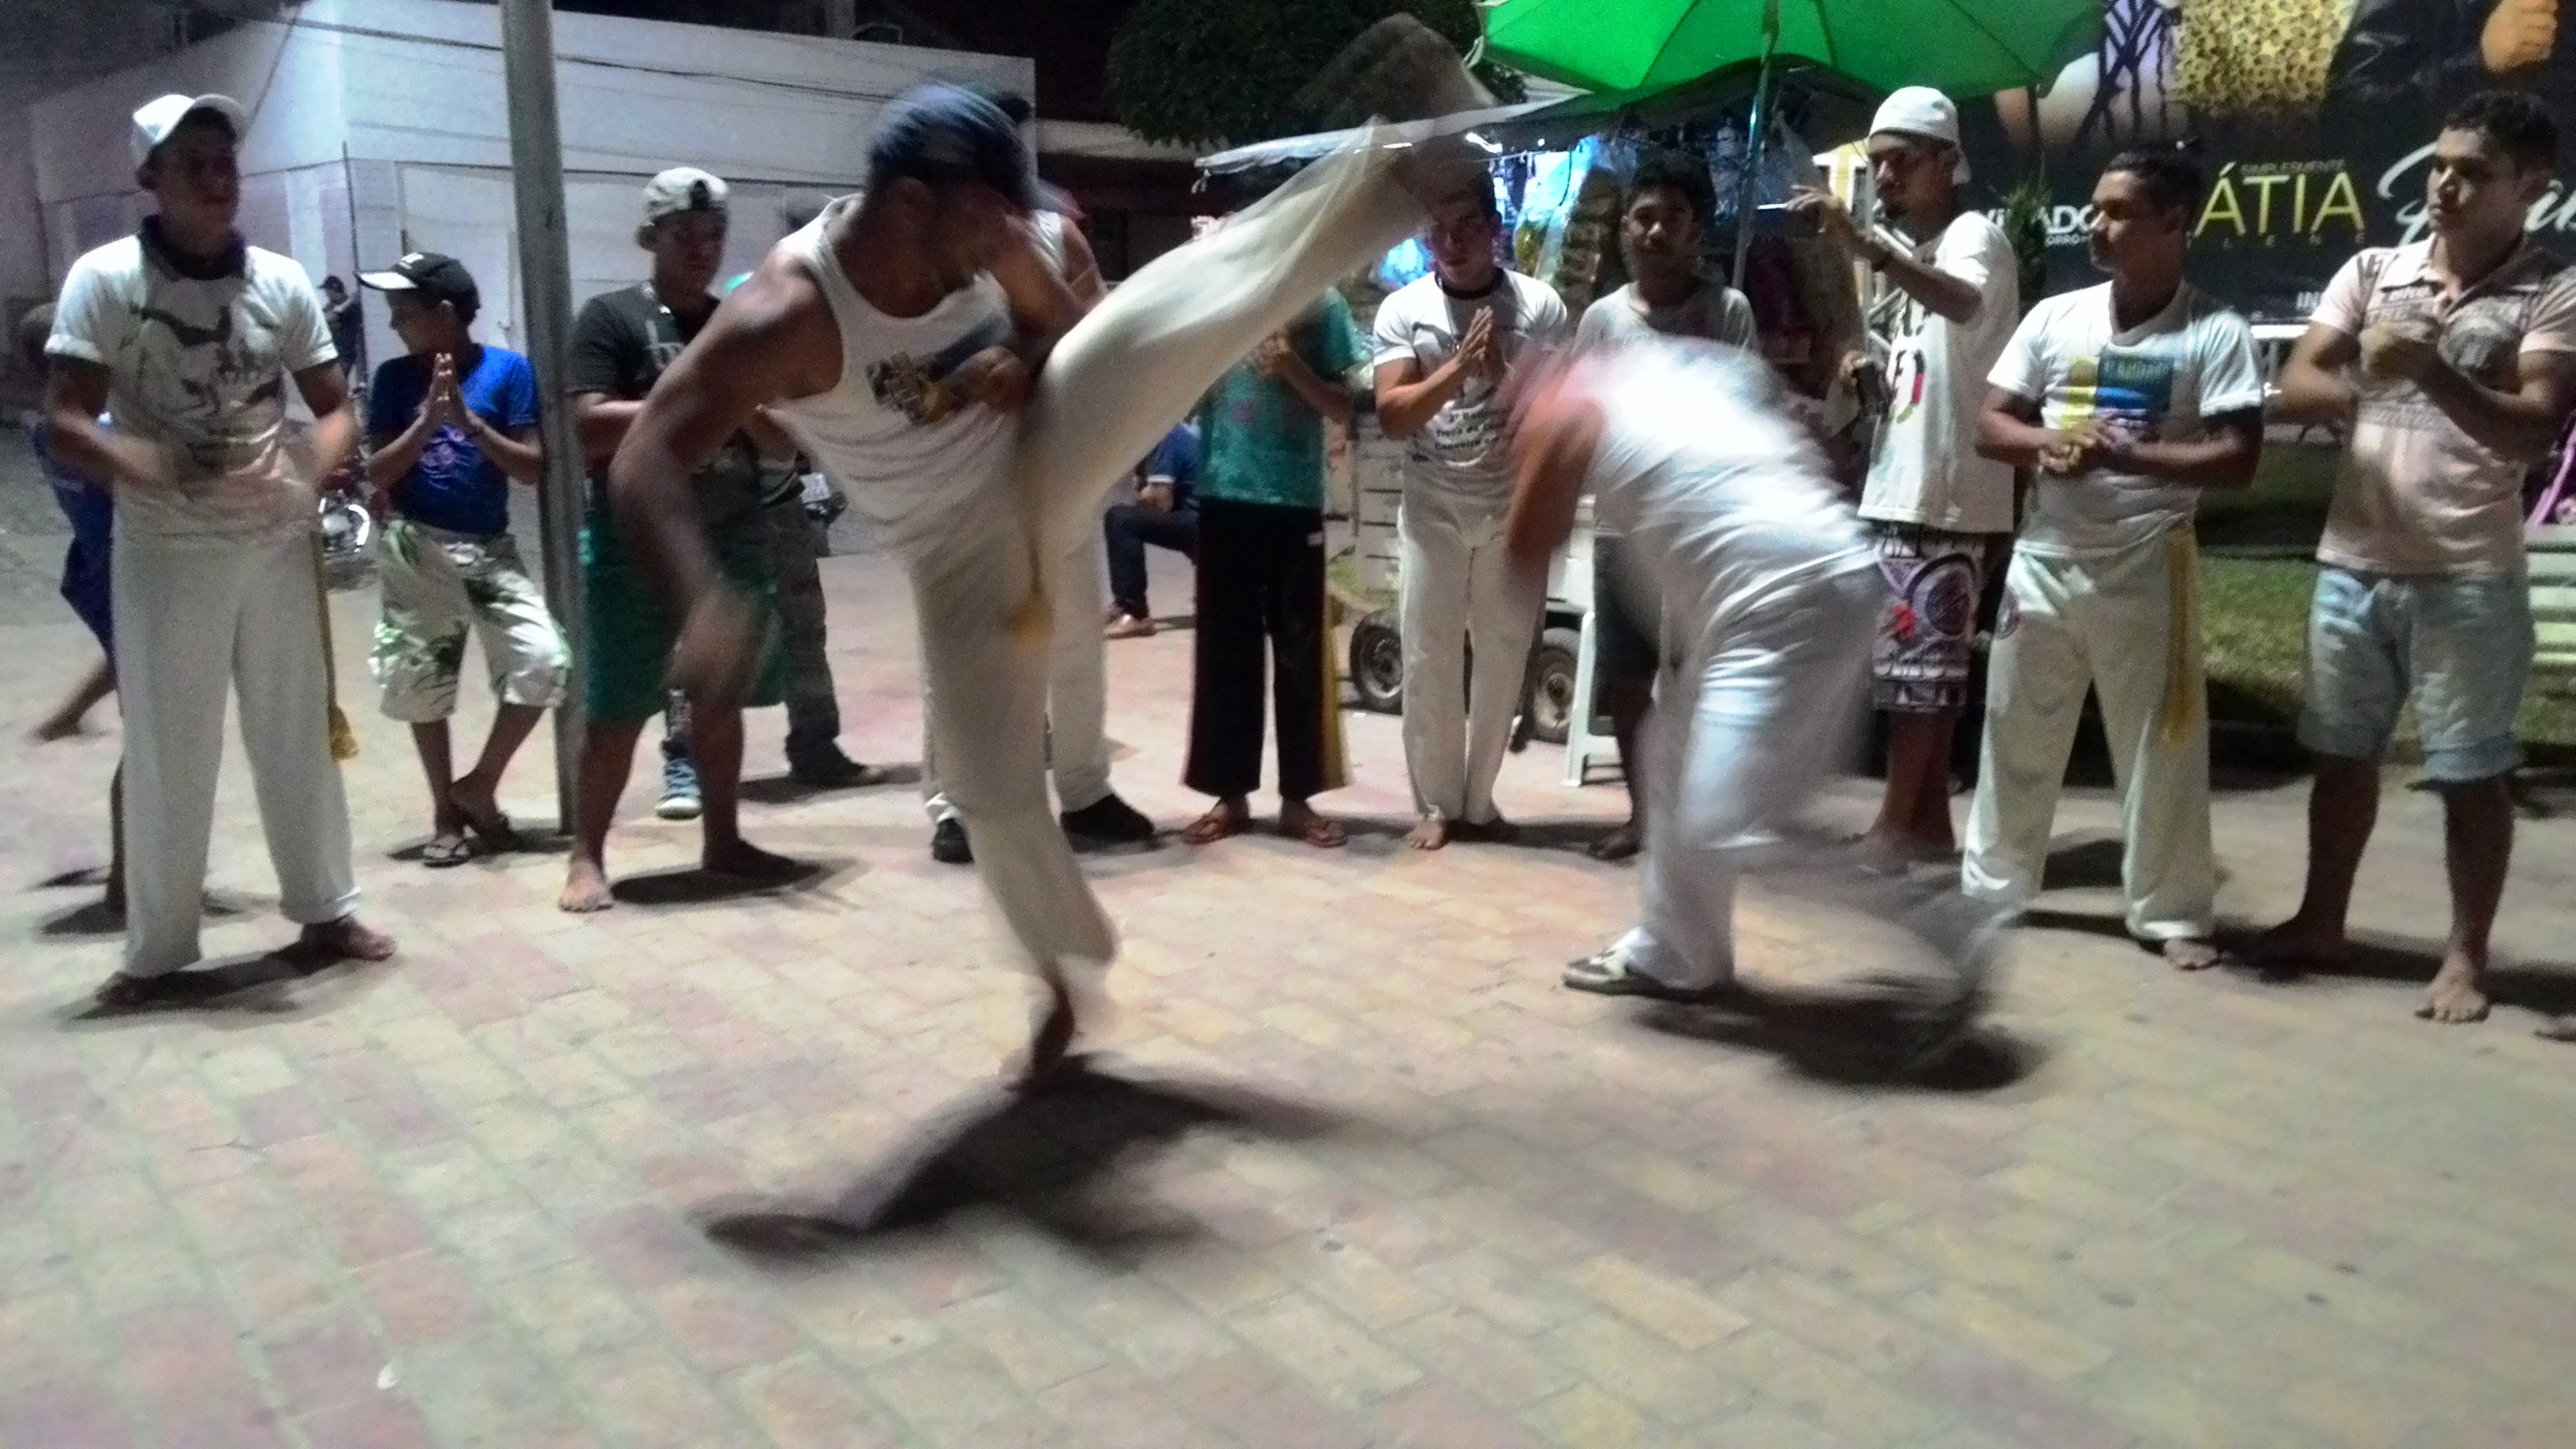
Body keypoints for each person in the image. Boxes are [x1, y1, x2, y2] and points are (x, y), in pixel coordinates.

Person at [608, 36, 1490, 1080]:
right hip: (951, 551)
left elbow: (1070, 333)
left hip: (1038, 451)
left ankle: (1405, 170)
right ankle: (1064, 971)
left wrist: (1019, 363)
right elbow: (643, 458)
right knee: (987, 790)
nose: (1006, 241)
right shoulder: (788, 310)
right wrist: (700, 598)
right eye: (985, 219)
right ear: (906, 204)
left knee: (1168, 315)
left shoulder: (995, 236)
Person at [44, 93, 396, 1004]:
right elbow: (68, 423)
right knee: (172, 746)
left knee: (296, 729)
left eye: (225, 161)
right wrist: (159, 463)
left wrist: (309, 472)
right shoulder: (108, 280)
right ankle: (158, 953)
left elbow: (336, 410)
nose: (214, 178)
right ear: (149, 177)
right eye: (192, 162)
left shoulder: (278, 281)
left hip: (275, 537)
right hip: (167, 546)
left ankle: (324, 908)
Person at [2258, 91, 2576, 1024]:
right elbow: (2301, 379)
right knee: (2341, 756)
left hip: (2468, 571)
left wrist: (2432, 368)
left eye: (2473, 172)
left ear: (2530, 188)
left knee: (2471, 772)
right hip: (2353, 559)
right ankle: (2323, 921)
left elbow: (2535, 427)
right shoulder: (2376, 268)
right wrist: (2368, 373)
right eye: (2440, 164)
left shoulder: (2553, 289)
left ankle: (2466, 961)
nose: (2445, 184)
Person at [1502, 341, 1888, 1004]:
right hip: (1808, 579)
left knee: (1727, 823)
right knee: (1669, 754)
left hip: (1781, 603)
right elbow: (1791, 416)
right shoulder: (1673, 371)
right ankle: (1677, 951)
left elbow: (1526, 544)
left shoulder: (1562, 411)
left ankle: (1930, 909)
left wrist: (1527, 455)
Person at [1964, 146, 2267, 972]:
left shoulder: (2215, 331)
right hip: (2047, 554)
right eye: (2094, 208)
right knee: (2015, 727)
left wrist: (2127, 460)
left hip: (2148, 558)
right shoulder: (2056, 319)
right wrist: (2052, 445)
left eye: (2119, 211)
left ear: (2176, 222)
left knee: (2160, 743)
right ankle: (1992, 889)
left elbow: (2239, 459)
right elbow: (1993, 427)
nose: (2096, 225)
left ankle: (2169, 912)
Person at [558, 167, 806, 912]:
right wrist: (701, 407)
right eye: (683, 234)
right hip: (634, 540)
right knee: (616, 708)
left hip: (730, 534)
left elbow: (785, 439)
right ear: (650, 238)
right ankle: (585, 856)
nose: (700, 247)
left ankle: (723, 841)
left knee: (719, 701)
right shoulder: (611, 318)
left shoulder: (740, 324)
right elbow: (585, 424)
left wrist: (735, 409)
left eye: (712, 235)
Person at [1792, 87, 2024, 873]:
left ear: (1948, 161)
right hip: (1903, 484)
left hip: (1948, 495)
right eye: (1878, 162)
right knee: (1911, 668)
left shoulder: (1974, 237)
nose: (1885, 176)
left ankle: (1896, 829)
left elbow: (1963, 304)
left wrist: (1867, 246)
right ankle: (1924, 827)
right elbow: (1925, 369)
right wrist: (1865, 373)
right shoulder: (1915, 255)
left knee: (1923, 672)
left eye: (1901, 162)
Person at [919, 169, 1158, 868]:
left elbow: (1097, 339)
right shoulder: (931, 252)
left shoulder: (1059, 240)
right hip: (965, 481)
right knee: (962, 647)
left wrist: (1028, 359)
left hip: (1058, 470)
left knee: (1078, 640)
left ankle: (1084, 791)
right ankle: (956, 804)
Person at [665, 189, 885, 807]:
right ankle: (685, 759)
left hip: (783, 489)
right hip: (724, 492)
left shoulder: (831, 303)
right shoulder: (756, 292)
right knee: (702, 631)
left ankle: (816, 746)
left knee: (804, 626)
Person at [1372, 178, 1571, 850]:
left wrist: (1506, 365)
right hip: (1433, 504)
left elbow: (1553, 416)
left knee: (1505, 653)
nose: (1452, 242)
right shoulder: (1405, 309)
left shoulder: (1539, 305)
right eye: (1439, 230)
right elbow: (1394, 417)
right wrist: (1458, 369)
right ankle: (1436, 804)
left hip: (1510, 506)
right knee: (1429, 652)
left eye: (1467, 227)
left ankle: (1479, 802)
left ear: (1495, 229)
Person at [1572, 148, 1758, 863]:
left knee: (1703, 685)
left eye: (1672, 220)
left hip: (1704, 535)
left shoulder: (1728, 310)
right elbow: (1585, 421)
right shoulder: (1602, 320)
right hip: (1625, 529)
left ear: (1697, 231)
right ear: (1624, 229)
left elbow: (1746, 409)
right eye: (1644, 218)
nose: (1655, 232)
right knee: (1628, 683)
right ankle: (1644, 817)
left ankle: (1702, 824)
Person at [358, 253, 569, 867]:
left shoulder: (508, 372)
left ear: (445, 313)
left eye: (406, 312)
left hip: (488, 551)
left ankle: (477, 787)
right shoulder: (397, 380)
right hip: (413, 547)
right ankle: (444, 815)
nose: (396, 323)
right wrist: (427, 422)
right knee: (423, 688)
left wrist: (469, 422)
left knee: (544, 661)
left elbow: (532, 468)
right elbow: (377, 472)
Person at [1178, 285, 1370, 850]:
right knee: (1223, 651)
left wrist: (1290, 364)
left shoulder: (1322, 303)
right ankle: (1228, 796)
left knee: (1301, 652)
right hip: (1222, 494)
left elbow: (1343, 407)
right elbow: (1181, 399)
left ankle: (1297, 800)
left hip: (1294, 503)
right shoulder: (1218, 296)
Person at [22, 303, 125, 913]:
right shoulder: (97, 432)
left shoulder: (43, 430)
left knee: (127, 660)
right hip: (122, 573)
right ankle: (127, 880)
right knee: (152, 740)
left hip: (90, 568)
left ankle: (68, 714)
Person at [1102, 421, 1200, 638]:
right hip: (1219, 524)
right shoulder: (1183, 432)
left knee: (1120, 519)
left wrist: (1140, 497)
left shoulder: (1167, 435)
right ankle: (1124, 602)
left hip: (1202, 526)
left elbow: (1161, 501)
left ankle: (1134, 611)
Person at [320, 275, 363, 382]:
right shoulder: (330, 306)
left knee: (339, 383)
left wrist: (349, 301)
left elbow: (339, 312)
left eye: (327, 290)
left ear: (333, 290)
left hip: (344, 354)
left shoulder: (349, 306)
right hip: (332, 354)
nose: (326, 294)